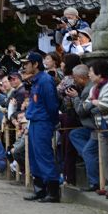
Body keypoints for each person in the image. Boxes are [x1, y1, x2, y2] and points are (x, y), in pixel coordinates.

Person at [22, 52, 61, 203]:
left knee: (44, 155)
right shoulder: (37, 81)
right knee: (34, 156)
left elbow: (52, 105)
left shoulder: (45, 81)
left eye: (27, 63)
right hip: (35, 122)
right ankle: (40, 190)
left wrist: (52, 122)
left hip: (43, 122)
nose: (25, 66)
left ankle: (52, 192)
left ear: (36, 64)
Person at [87, 60, 108, 197]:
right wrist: (95, 103)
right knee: (104, 157)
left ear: (99, 73)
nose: (89, 74)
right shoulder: (94, 88)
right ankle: (107, 185)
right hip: (100, 126)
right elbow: (85, 106)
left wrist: (94, 102)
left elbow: (107, 105)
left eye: (91, 71)